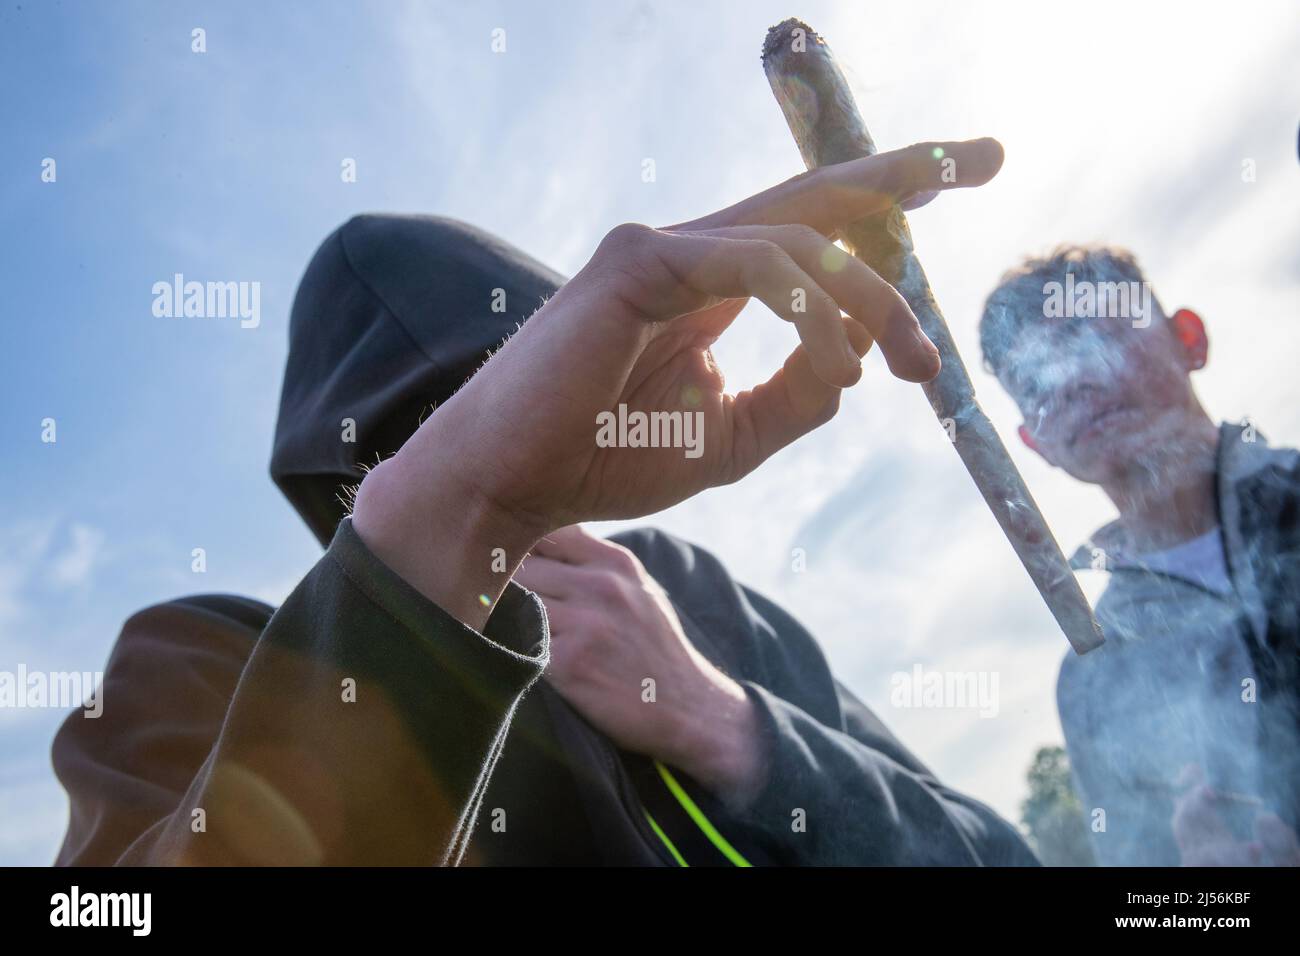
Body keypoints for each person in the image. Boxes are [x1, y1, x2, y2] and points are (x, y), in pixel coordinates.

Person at [52, 137, 1037, 866]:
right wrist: (451, 517)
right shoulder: (197, 658)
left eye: (528, 393)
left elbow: (1001, 857)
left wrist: (719, 718)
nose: (527, 456)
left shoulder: (690, 599)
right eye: (427, 442)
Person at [979, 245, 1300, 865]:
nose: (1072, 379)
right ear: (1034, 442)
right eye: (1032, 381)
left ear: (1189, 339)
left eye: (1096, 332)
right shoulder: (1094, 676)